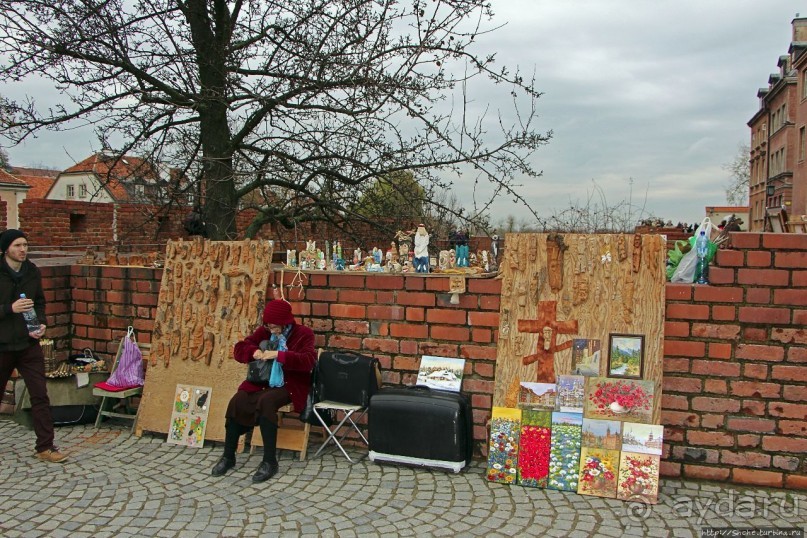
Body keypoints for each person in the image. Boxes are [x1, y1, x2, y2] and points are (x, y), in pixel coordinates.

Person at [211, 299, 316, 482]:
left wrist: (279, 355)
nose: (272, 330)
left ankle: (269, 461)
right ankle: (228, 456)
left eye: (276, 327)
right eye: (269, 326)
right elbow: (240, 349)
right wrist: (254, 352)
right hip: (262, 381)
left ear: (285, 323)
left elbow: (308, 361)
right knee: (237, 400)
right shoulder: (264, 332)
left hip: (288, 383)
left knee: (266, 402)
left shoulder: (303, 334)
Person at [0, 229, 67, 463]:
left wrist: (42, 323)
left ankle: (45, 447)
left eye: (25, 245)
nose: (22, 250)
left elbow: (39, 302)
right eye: (17, 245)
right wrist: (10, 309)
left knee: (40, 394)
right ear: (6, 249)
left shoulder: (32, 272)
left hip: (28, 343)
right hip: (3, 344)